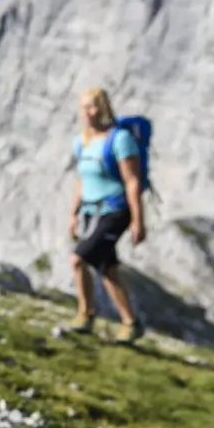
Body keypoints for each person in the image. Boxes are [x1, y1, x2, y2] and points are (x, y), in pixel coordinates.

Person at [66, 87, 146, 343]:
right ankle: (130, 322)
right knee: (107, 269)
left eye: (92, 106)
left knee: (78, 260)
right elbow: (81, 179)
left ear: (103, 107)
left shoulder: (121, 139)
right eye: (83, 107)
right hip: (91, 210)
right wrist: (74, 213)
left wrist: (137, 220)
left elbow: (132, 181)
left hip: (115, 210)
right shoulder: (82, 141)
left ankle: (86, 313)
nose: (87, 112)